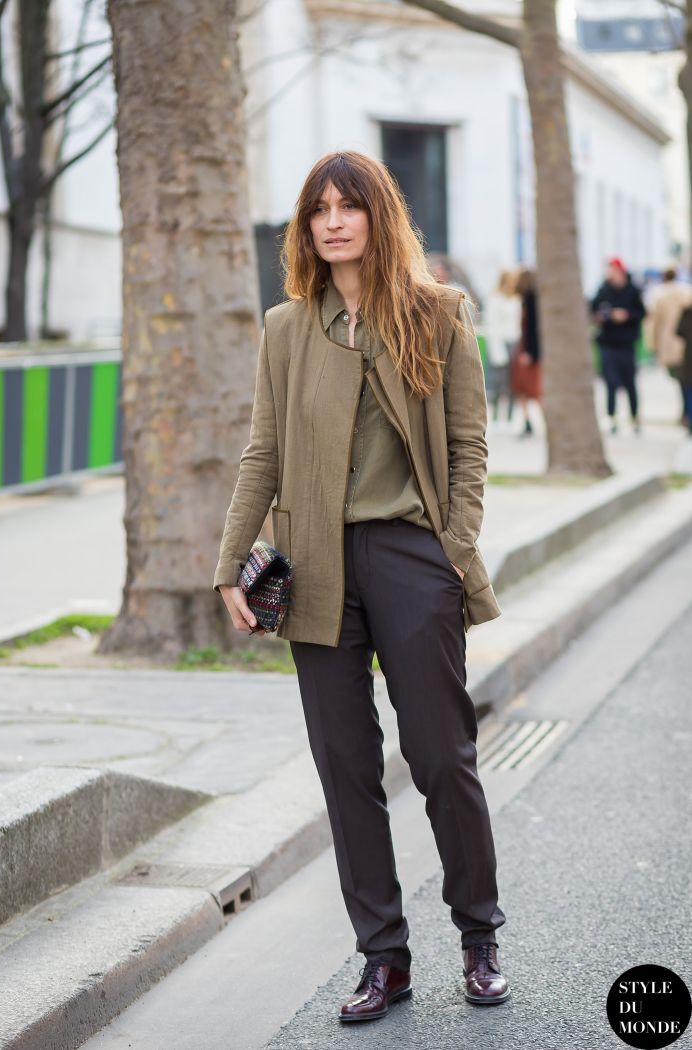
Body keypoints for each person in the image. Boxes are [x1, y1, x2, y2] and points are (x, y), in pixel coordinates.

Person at [213, 150, 509, 1023]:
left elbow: (469, 447)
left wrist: (453, 549)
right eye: (319, 209)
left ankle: (479, 935)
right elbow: (262, 450)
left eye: (351, 206)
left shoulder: (438, 313)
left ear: (380, 217)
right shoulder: (286, 327)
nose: (334, 221)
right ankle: (384, 957)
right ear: (305, 226)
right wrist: (232, 559)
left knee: (440, 757)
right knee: (345, 766)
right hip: (313, 566)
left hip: (413, 559)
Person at [590, 257, 646, 435]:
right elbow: (593, 309)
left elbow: (642, 312)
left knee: (630, 382)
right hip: (608, 342)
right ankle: (611, 417)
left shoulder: (632, 290)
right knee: (611, 382)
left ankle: (635, 417)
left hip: (626, 343)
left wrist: (626, 315)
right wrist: (601, 316)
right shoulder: (603, 290)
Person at [645, 267, 692, 427]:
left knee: (682, 380)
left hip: (669, 341)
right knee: (686, 379)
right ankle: (686, 411)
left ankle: (686, 412)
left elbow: (654, 323)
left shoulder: (659, 295)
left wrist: (653, 344)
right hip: (685, 342)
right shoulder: (686, 292)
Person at [484, 268, 520, 424]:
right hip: (500, 343)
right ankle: (497, 417)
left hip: (514, 343)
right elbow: (492, 325)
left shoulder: (515, 299)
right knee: (499, 382)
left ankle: (510, 417)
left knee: (514, 382)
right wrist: (497, 350)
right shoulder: (495, 299)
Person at [511, 267, 542, 437]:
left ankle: (538, 420)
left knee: (533, 390)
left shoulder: (530, 300)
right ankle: (527, 420)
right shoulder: (527, 299)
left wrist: (529, 352)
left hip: (527, 351)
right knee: (522, 389)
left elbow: (532, 329)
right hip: (524, 349)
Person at [674, 303, 692, 435]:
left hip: (689, 358)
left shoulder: (687, 311)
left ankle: (689, 420)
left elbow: (679, 331)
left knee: (689, 391)